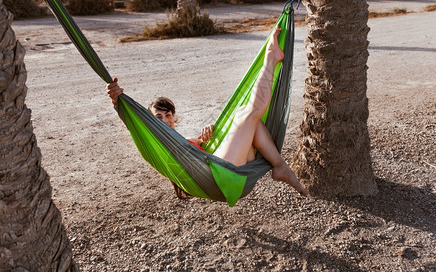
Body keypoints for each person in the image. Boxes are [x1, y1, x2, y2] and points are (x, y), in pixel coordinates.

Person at [107, 27, 309, 198]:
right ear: (151, 123)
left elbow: (210, 149)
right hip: (220, 179)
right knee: (248, 113)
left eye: (168, 115)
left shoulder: (189, 141)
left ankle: (280, 166)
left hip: (235, 167)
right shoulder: (159, 146)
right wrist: (118, 101)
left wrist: (212, 134)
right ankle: (271, 60)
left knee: (244, 114)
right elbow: (136, 125)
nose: (165, 120)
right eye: (158, 117)